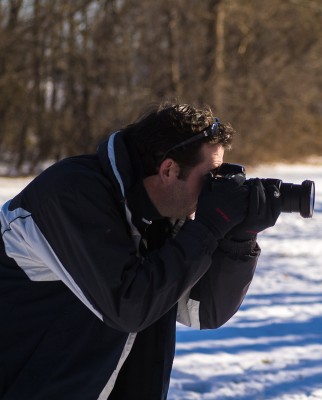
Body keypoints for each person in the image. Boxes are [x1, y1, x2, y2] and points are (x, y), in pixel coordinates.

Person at [0, 103, 282, 399]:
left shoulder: (163, 211)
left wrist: (240, 238)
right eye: (209, 176)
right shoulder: (69, 195)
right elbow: (129, 305)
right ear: (169, 169)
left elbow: (203, 311)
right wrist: (208, 228)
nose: (214, 189)